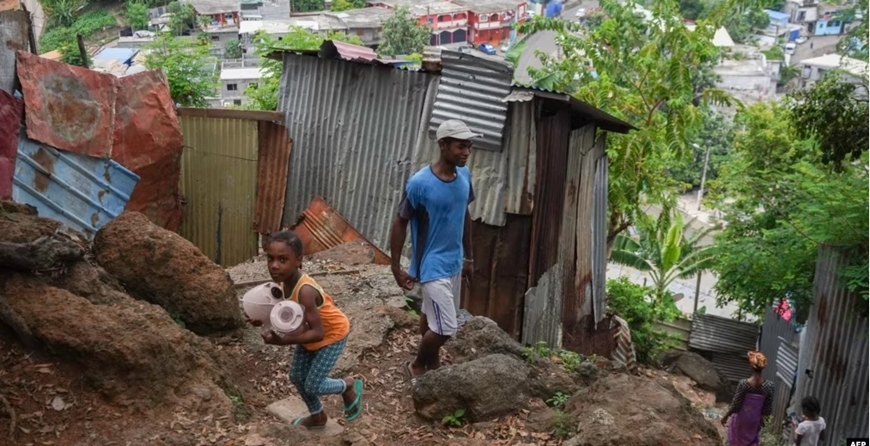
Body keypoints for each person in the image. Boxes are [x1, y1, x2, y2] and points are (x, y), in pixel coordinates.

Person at [390, 119, 478, 382]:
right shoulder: (420, 184)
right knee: (447, 327)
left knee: (430, 316)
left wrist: (469, 257)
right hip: (431, 265)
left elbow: (465, 215)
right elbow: (400, 222)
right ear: (443, 145)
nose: (466, 152)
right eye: (461, 146)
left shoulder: (464, 176)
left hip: (454, 262)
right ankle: (417, 365)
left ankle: (433, 361)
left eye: (469, 147)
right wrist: (395, 266)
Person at [247, 230, 363, 428]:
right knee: (296, 377)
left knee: (314, 385)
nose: (274, 265)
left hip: (332, 335)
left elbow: (319, 333)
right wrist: (264, 320)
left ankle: (348, 385)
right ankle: (318, 416)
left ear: (298, 261)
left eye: (282, 259)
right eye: (270, 259)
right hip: (307, 333)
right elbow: (288, 313)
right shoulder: (285, 282)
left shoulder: (305, 291)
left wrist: (281, 341)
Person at [721, 351, 775, 446]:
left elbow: (736, 405)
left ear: (751, 365)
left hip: (741, 420)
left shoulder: (744, 384)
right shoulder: (769, 386)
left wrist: (726, 416)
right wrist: (762, 421)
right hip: (754, 420)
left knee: (735, 441)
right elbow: (767, 409)